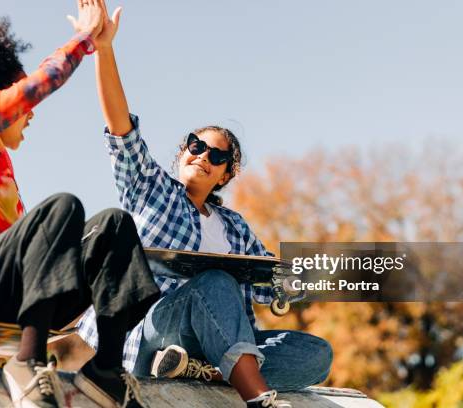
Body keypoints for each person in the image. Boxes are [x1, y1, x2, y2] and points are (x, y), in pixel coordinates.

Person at [77, 2, 333, 407]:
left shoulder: (234, 227)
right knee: (214, 281)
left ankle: (203, 370)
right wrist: (104, 49)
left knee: (315, 353)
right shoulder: (151, 190)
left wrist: (305, 278)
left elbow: (269, 283)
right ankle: (257, 397)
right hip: (156, 330)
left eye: (216, 156)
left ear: (226, 174)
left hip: (207, 348)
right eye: (196, 146)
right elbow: (121, 128)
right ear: (182, 152)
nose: (202, 156)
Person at [0, 2, 160, 407]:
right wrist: (85, 38)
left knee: (113, 226)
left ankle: (105, 371)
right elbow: (40, 84)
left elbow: (42, 256)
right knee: (62, 207)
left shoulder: (0, 171)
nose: (30, 114)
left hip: (8, 295)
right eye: (20, 104)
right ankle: (26, 364)